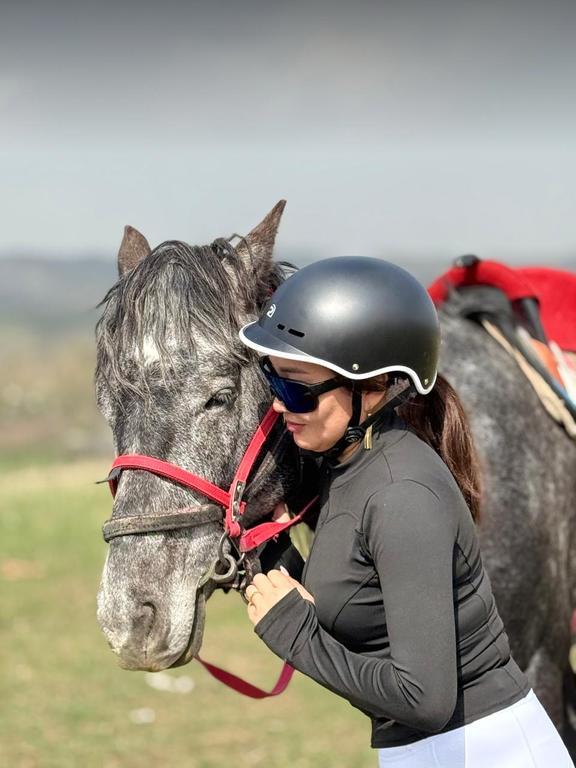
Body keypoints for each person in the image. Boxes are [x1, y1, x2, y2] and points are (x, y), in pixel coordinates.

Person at [238, 256, 574, 767]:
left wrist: (298, 637)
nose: (280, 404)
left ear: (372, 387)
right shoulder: (350, 468)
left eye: (296, 388)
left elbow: (424, 700)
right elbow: (364, 614)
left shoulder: (401, 494)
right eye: (272, 380)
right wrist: (276, 555)